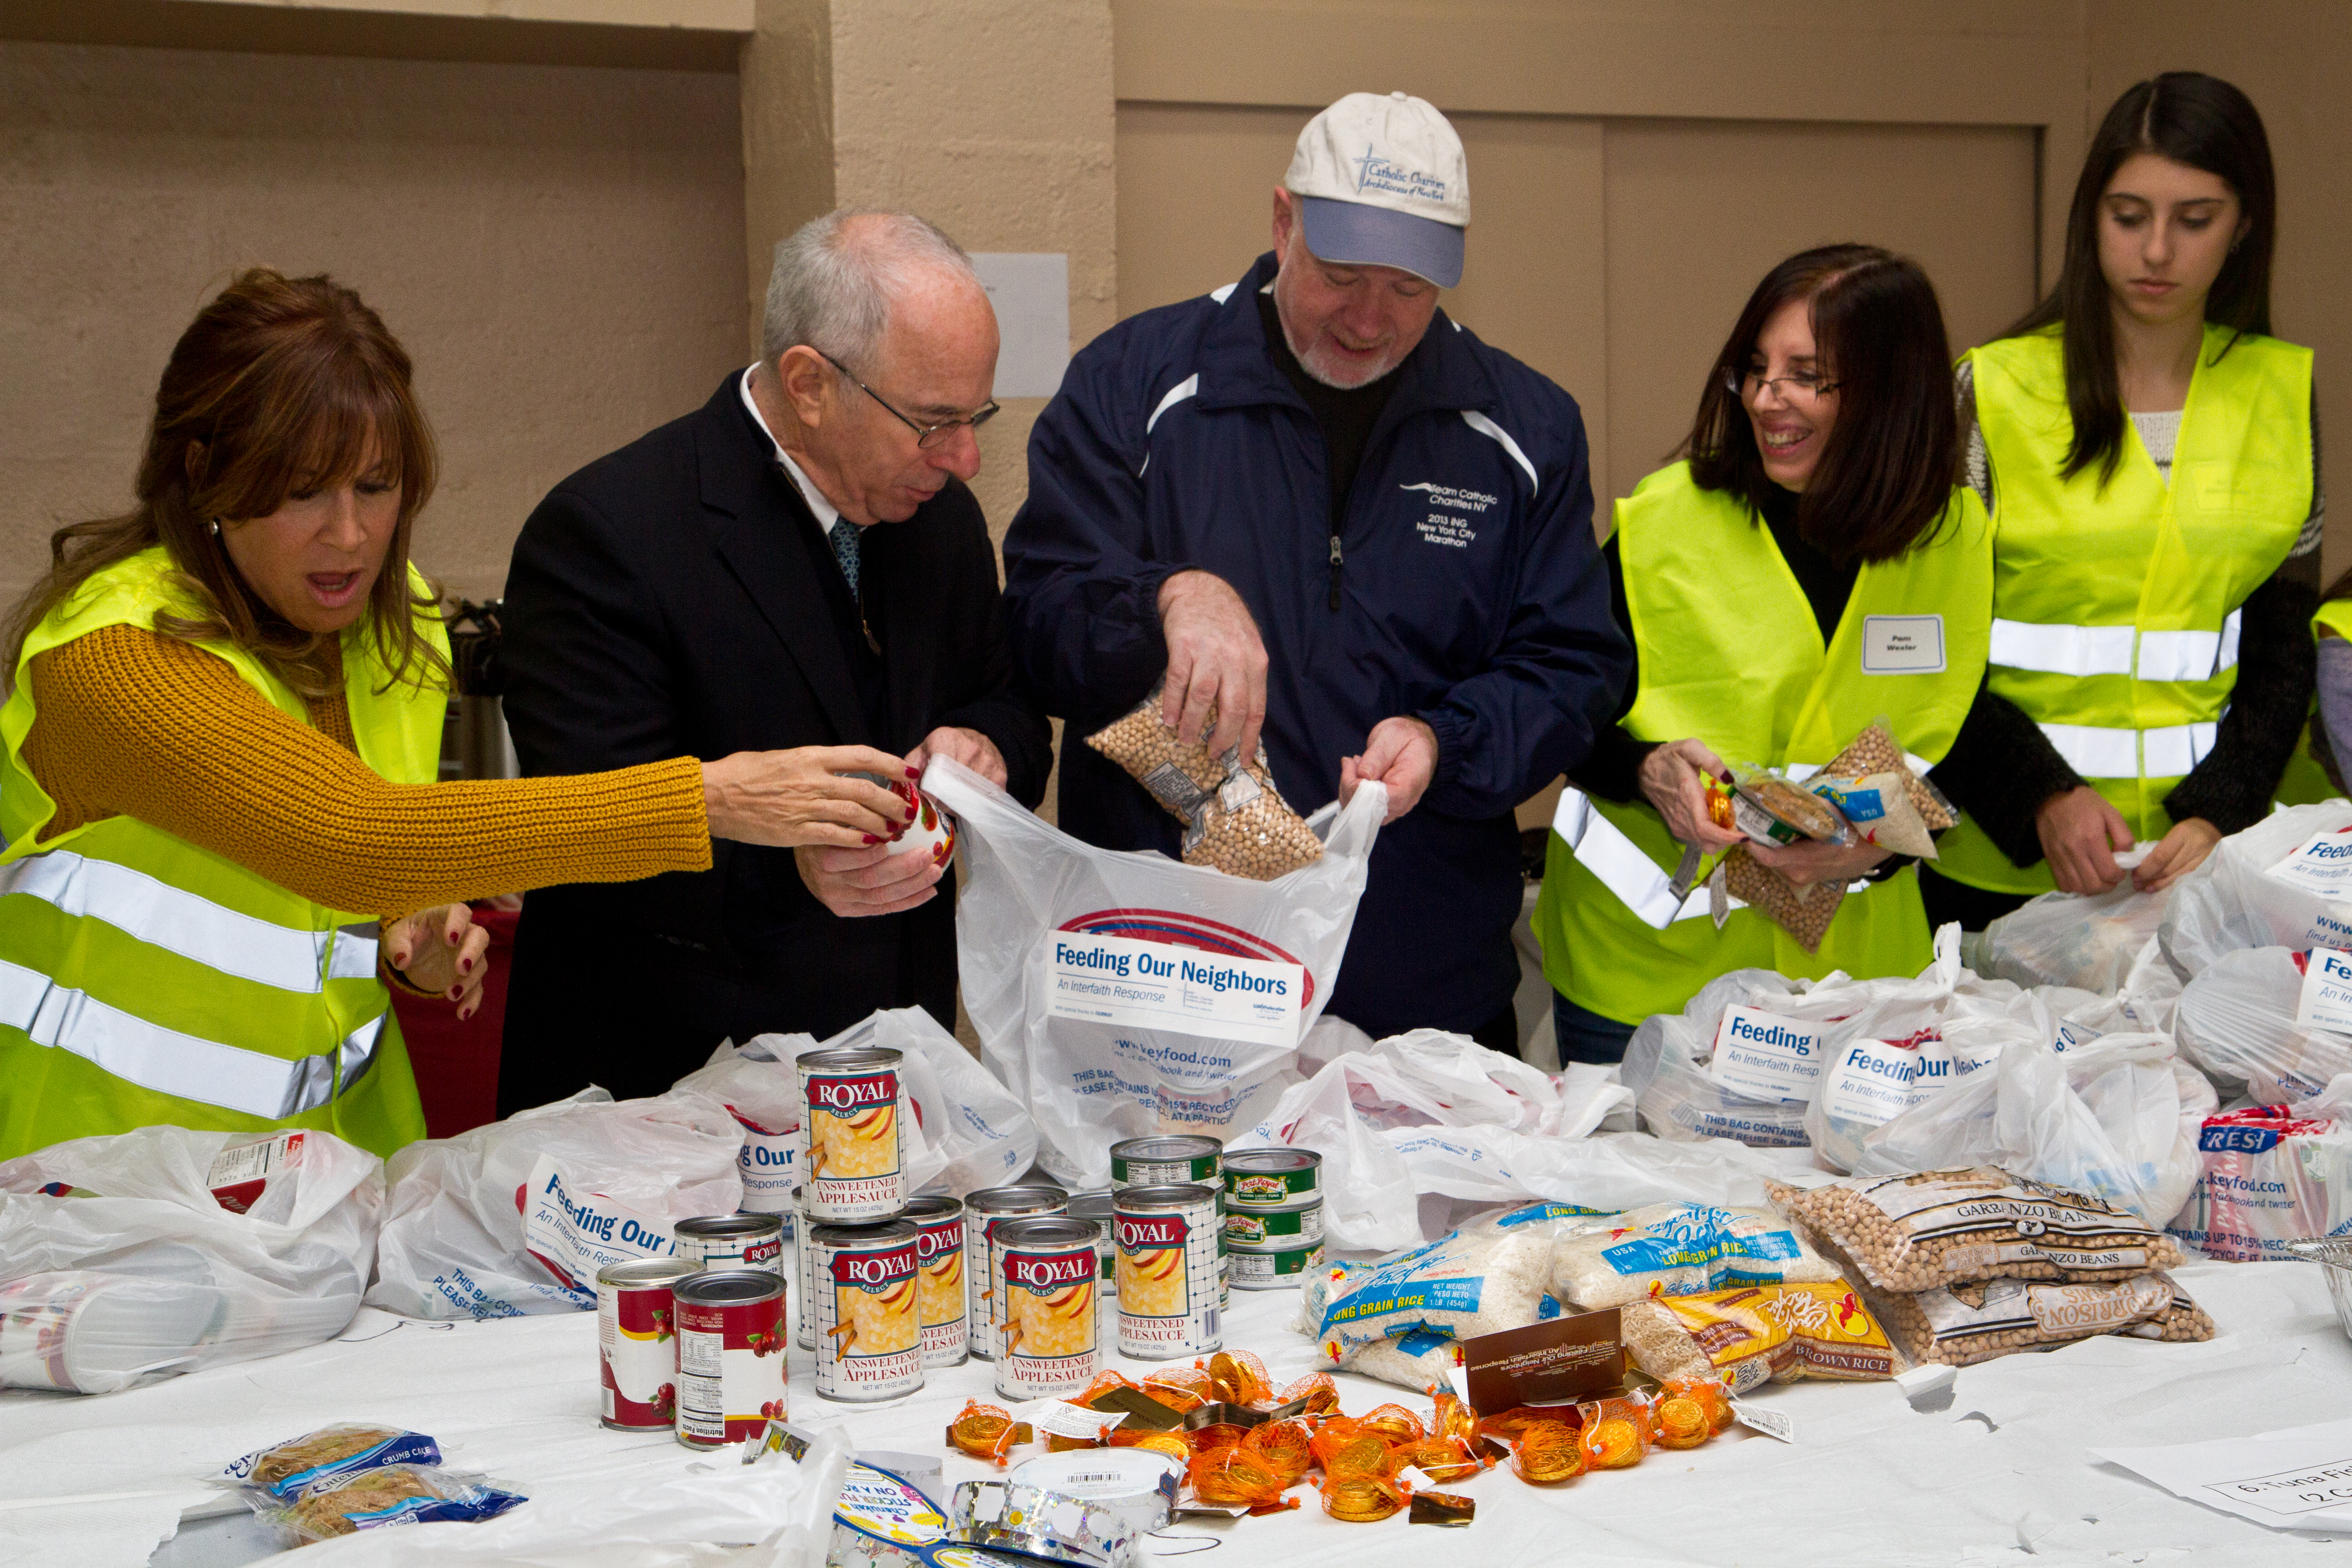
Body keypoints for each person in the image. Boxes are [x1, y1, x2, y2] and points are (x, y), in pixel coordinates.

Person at [0, 269, 919, 1162]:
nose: (349, 535)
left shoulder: (385, 629)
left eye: (375, 486)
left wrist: (415, 940)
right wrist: (711, 799)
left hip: (316, 1189)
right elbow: (348, 836)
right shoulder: (112, 656)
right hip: (89, 1193)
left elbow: (353, 879)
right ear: (204, 477)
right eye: (299, 491)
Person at [1000, 91, 1628, 1054]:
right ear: (1282, 220)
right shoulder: (1137, 384)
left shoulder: (1524, 428)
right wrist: (1167, 598)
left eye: (1410, 289)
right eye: (1340, 276)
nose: (1370, 319)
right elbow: (1041, 621)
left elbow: (1575, 668)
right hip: (1170, 985)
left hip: (1423, 996)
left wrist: (1444, 743)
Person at [496, 211, 1052, 1111]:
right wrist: (786, 868)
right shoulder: (611, 533)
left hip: (892, 1078)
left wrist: (986, 749)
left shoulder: (939, 520)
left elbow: (1010, 705)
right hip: (665, 1101)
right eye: (934, 423)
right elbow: (587, 827)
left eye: (976, 417)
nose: (966, 459)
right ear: (809, 384)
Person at [1534, 246, 1993, 1062]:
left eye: (1806, 374)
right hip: (1649, 984)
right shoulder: (1666, 524)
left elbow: (1960, 735)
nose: (1766, 398)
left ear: (1893, 390)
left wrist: (1880, 844)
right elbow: (1561, 710)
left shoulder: (1953, 538)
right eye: (1755, 368)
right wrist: (1649, 773)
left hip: (1860, 990)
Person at [1925, 72, 2323, 929]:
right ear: (2090, 218)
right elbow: (1923, 644)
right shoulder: (1993, 390)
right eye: (2129, 216)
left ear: (2244, 224)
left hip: (2195, 872)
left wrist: (2222, 807)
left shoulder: (2280, 394)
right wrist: (2041, 795)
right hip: (1998, 868)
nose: (2156, 252)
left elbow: (2281, 649)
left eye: (2195, 219)